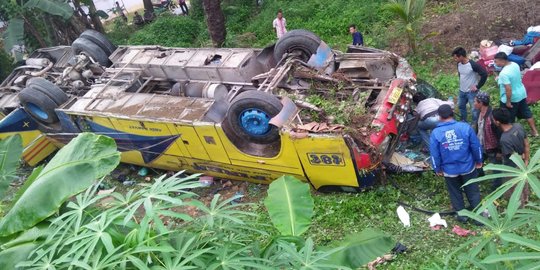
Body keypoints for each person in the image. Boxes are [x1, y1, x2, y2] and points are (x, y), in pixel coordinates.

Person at [429, 104, 483, 223]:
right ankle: (479, 218)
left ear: (439, 116)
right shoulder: (465, 127)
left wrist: (437, 169)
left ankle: (462, 216)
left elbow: (434, 154)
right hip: (468, 167)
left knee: (455, 192)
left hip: (449, 170)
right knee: (473, 191)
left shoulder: (436, 133)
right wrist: (479, 161)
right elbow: (476, 146)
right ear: (452, 113)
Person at [494, 52, 539, 137]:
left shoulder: (504, 73)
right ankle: (535, 132)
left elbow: (508, 89)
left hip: (512, 98)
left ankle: (512, 136)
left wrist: (508, 102)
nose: (495, 64)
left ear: (502, 61)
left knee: (508, 118)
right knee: (527, 113)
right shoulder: (514, 64)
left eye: (496, 61)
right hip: (521, 93)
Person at [492, 108, 530, 205]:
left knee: (513, 189)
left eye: (493, 119)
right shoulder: (518, 126)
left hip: (512, 167)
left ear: (497, 122)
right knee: (523, 183)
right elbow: (526, 144)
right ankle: (525, 199)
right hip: (523, 163)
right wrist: (526, 161)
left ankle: (518, 208)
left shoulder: (505, 139)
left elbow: (514, 156)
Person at [473, 92, 502, 190]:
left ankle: (496, 188)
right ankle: (480, 175)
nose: (473, 103)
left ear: (481, 103)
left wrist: (499, 151)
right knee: (477, 162)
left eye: (475, 101)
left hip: (492, 148)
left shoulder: (492, 117)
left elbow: (500, 134)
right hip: (481, 145)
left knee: (496, 169)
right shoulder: (479, 113)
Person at [452, 47, 488, 125]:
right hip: (462, 91)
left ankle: (475, 124)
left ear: (461, 56)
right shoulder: (458, 64)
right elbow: (461, 74)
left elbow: (484, 74)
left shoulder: (472, 64)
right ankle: (464, 121)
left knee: (474, 110)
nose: (455, 60)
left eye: (456, 58)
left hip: (471, 92)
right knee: (461, 106)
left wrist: (477, 86)